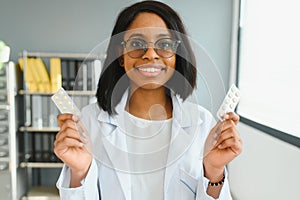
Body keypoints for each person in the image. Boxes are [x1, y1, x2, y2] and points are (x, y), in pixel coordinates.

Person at [54, 1, 242, 199]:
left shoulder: (202, 125)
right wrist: (79, 172)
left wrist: (213, 171)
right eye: (136, 44)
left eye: (164, 45)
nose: (150, 54)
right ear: (120, 54)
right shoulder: (89, 121)